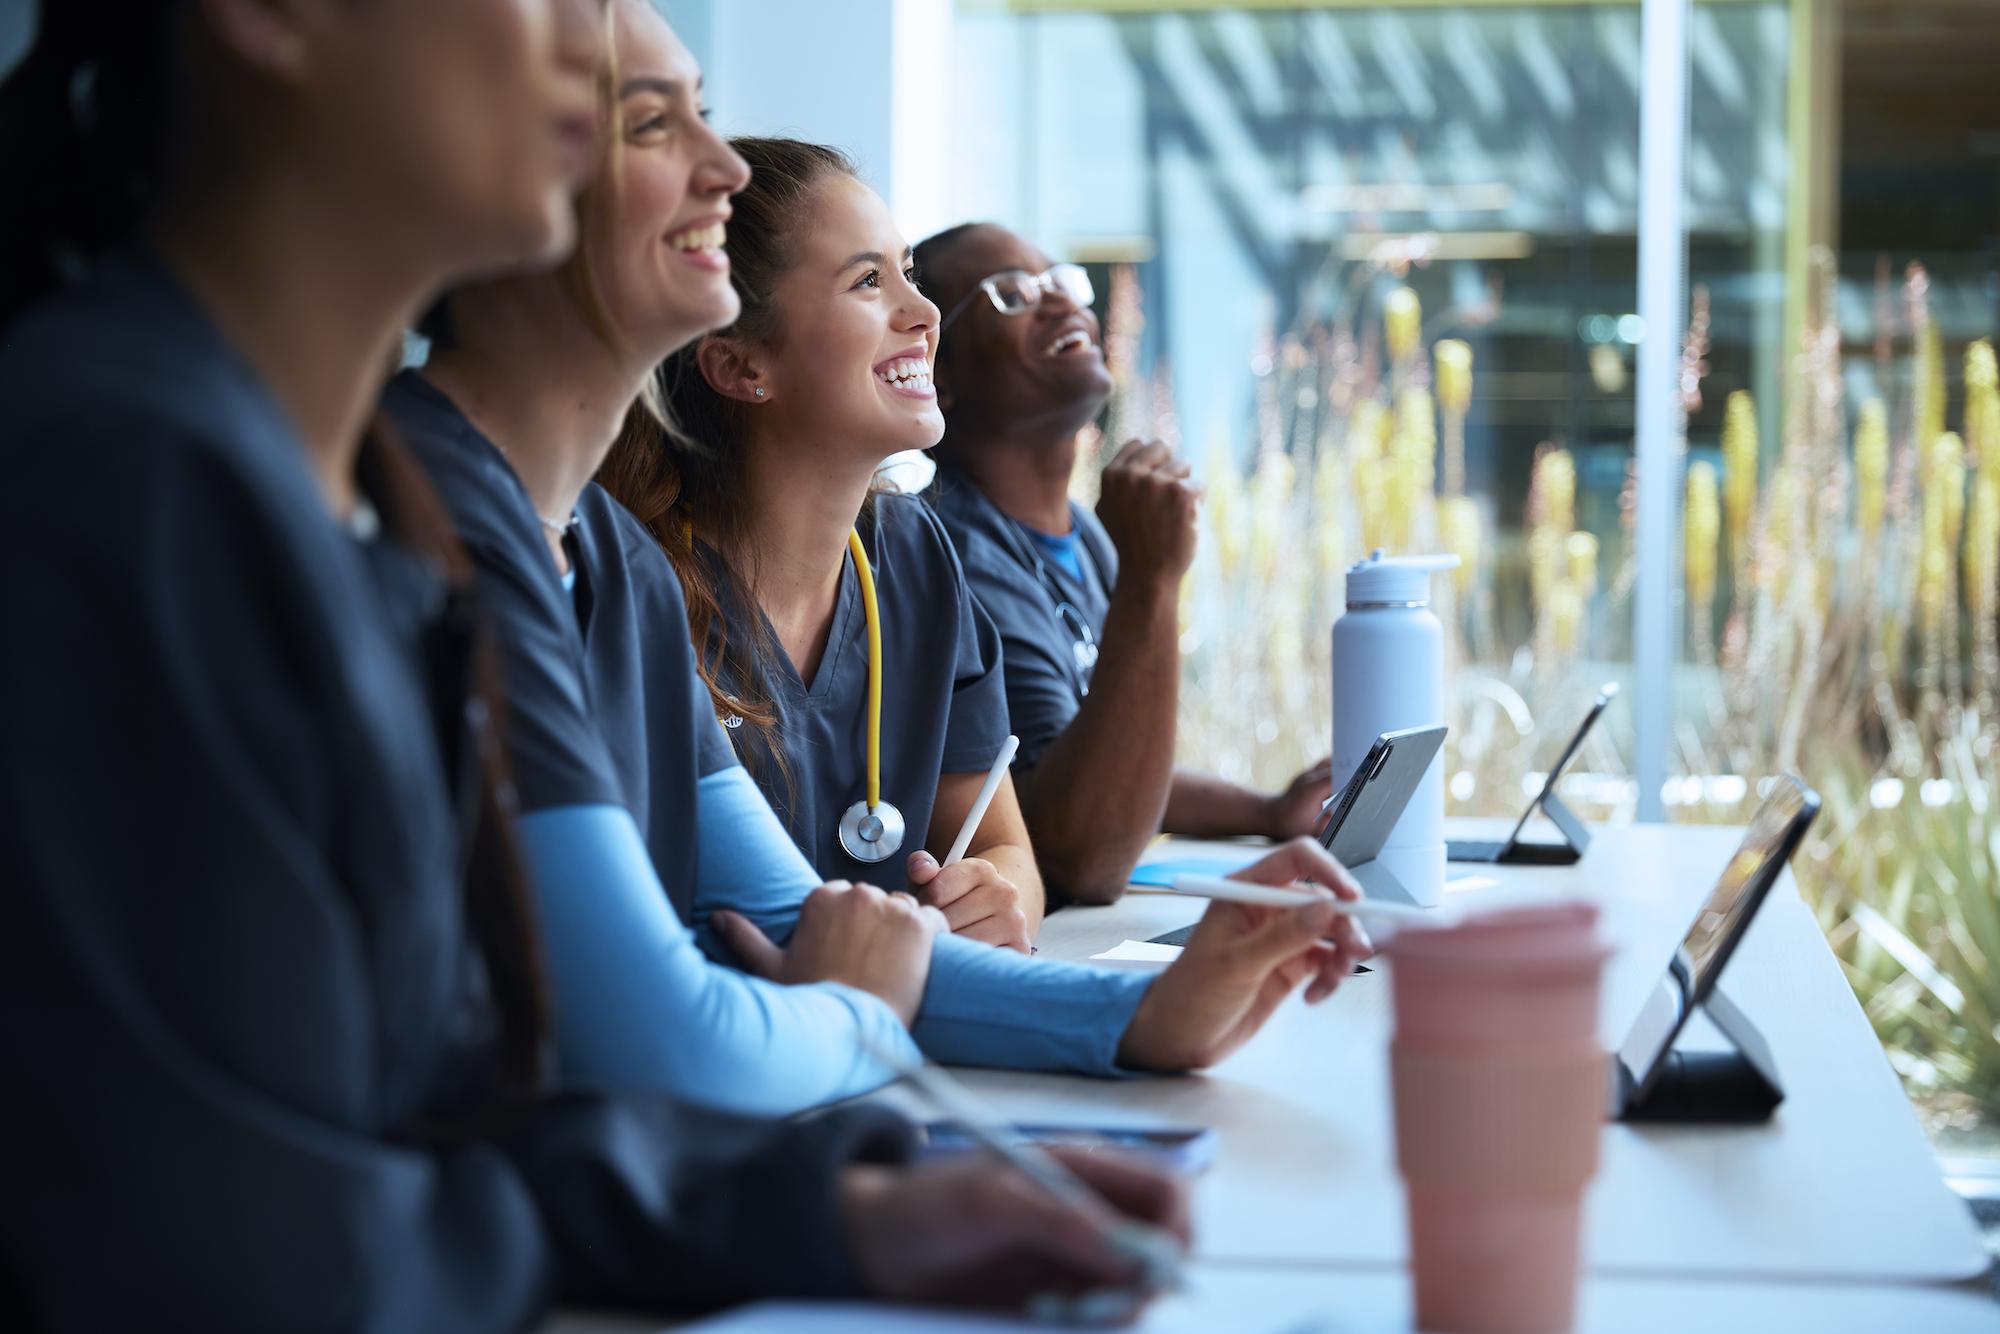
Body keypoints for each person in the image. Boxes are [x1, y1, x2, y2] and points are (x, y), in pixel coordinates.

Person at [0, 3, 1194, 1324]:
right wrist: (855, 1025)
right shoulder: (137, 490)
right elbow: (275, 1249)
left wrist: (843, 1211)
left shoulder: (458, 527)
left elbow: (431, 1133)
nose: (723, 164)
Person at [598, 137, 1373, 1078]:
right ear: (740, 365)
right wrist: (1138, 1013)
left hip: (889, 1065)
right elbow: (770, 943)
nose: (922, 315)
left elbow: (1008, 844)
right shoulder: (631, 590)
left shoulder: (915, 561)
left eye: (911, 277)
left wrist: (997, 896)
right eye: (866, 283)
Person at [392, 0, 940, 1117]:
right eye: (650, 125)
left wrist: (1155, 1005)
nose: (727, 168)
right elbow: (671, 1043)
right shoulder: (423, 512)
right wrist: (858, 1018)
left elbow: (801, 923)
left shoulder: (614, 558)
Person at [916, 221, 1335, 905]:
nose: (1062, 303)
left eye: (1062, 281)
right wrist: (1151, 579)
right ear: (942, 376)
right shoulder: (951, 553)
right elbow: (1079, 856)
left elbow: (1106, 758)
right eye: (1013, 294)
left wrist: (1266, 813)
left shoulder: (1084, 532)